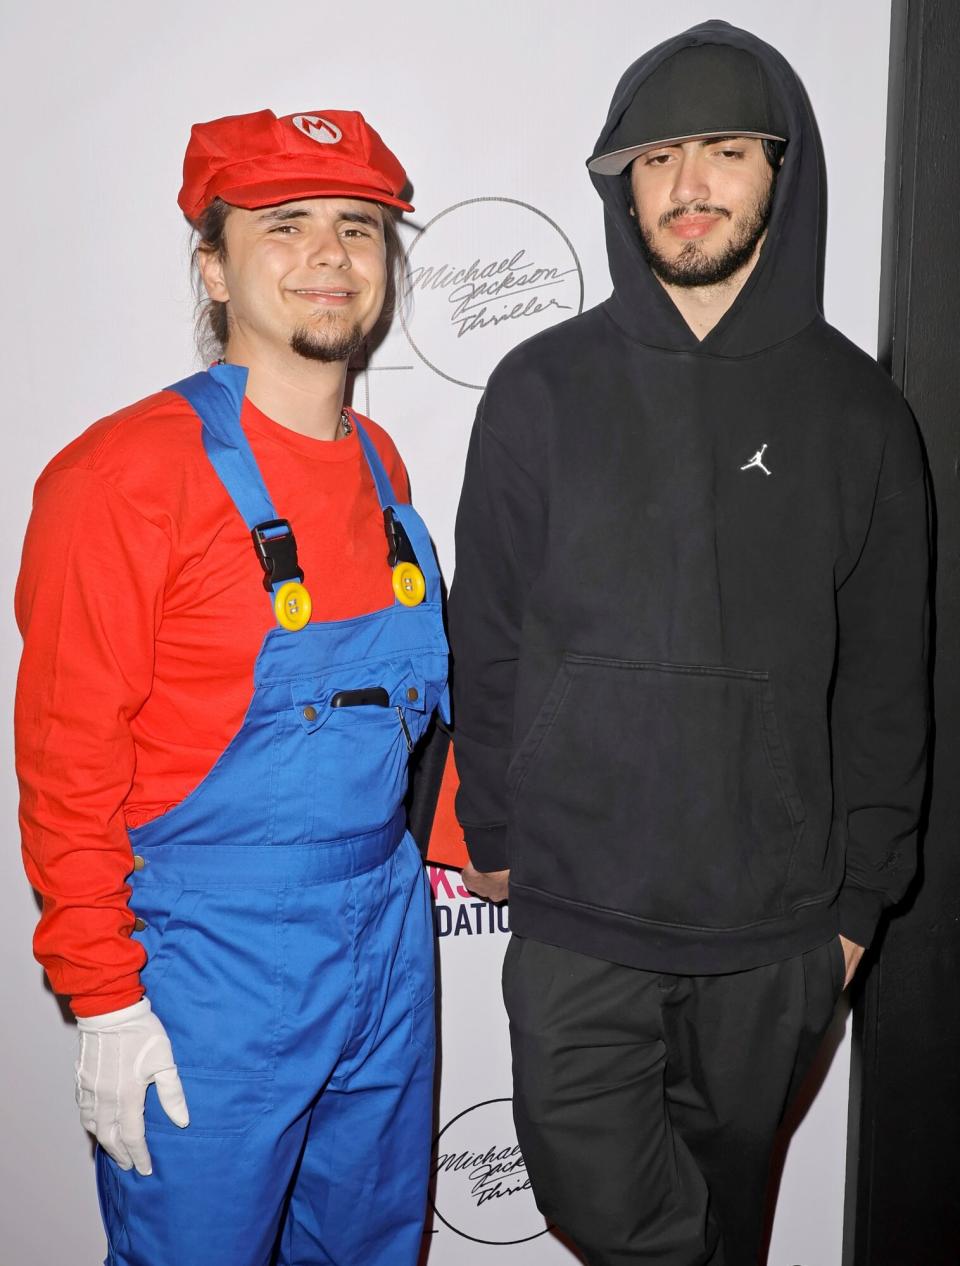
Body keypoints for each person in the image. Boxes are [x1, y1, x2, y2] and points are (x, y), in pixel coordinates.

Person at [449, 21, 929, 1265]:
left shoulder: (859, 410)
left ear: (782, 170)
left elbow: (887, 678)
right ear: (623, 183)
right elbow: (486, 628)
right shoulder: (537, 388)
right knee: (621, 1216)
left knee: (733, 1224)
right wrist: (493, 831)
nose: (690, 184)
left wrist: (854, 911)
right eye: (657, 157)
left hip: (775, 930)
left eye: (724, 149)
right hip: (578, 915)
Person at [16, 107, 448, 1266]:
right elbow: (69, 761)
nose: (328, 256)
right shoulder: (120, 476)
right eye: (285, 225)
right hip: (213, 962)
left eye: (357, 228)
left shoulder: (382, 462)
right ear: (213, 265)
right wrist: (104, 995)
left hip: (389, 936)